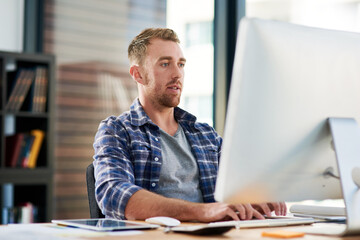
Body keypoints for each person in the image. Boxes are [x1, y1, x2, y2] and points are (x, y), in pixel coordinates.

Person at [93, 28, 287, 222]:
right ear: (138, 74)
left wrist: (252, 200)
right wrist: (203, 211)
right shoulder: (117, 131)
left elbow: (234, 189)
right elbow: (114, 194)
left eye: (181, 64)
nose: (177, 74)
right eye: (165, 64)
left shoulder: (206, 136)